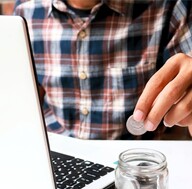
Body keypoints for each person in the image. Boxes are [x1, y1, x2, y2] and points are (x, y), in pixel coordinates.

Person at [14, 0, 192, 140]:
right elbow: (20, 102)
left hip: (133, 164)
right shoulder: (25, 10)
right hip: (54, 152)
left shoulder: (169, 6)